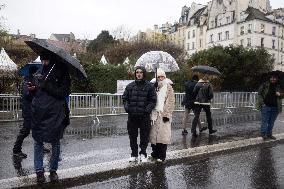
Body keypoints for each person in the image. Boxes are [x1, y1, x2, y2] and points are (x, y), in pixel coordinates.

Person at [31, 53, 71, 183]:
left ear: (52, 58)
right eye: (42, 59)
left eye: (46, 59)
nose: (43, 62)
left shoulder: (62, 70)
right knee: (38, 142)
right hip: (39, 112)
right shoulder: (39, 71)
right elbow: (35, 92)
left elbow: (63, 92)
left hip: (55, 113)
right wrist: (32, 90)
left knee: (55, 142)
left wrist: (47, 85)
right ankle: (39, 171)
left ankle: (53, 170)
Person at [13, 66, 50, 158]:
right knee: (25, 131)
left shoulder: (34, 81)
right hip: (28, 111)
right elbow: (27, 95)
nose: (38, 75)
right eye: (37, 73)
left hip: (35, 111)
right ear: (34, 73)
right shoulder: (27, 82)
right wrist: (34, 91)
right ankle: (16, 150)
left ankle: (40, 147)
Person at [122, 66, 157, 162]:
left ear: (144, 74)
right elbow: (125, 99)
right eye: (137, 72)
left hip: (144, 116)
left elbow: (153, 100)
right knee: (132, 136)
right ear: (135, 74)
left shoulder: (149, 86)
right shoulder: (130, 86)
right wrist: (127, 108)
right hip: (132, 116)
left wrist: (147, 110)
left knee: (144, 136)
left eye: (141, 72)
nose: (139, 74)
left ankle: (143, 153)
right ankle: (134, 154)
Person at [149, 68, 175, 162]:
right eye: (158, 76)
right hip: (154, 114)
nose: (160, 78)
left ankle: (162, 155)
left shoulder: (168, 87)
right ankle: (154, 153)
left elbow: (170, 101)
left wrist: (167, 114)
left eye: (162, 76)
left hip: (163, 115)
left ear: (165, 77)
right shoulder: (152, 86)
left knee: (163, 137)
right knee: (153, 136)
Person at [256, 71, 283, 140]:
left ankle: (269, 134)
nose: (273, 79)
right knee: (264, 121)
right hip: (266, 106)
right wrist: (262, 103)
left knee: (271, 122)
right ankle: (263, 134)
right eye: (272, 78)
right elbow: (259, 94)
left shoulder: (280, 86)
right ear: (269, 78)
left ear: (277, 79)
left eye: (274, 78)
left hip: (276, 107)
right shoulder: (265, 85)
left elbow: (283, 95)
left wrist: (280, 94)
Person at [191, 73, 217, 137]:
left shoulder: (198, 84)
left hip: (198, 102)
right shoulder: (209, 84)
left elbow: (194, 92)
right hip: (206, 102)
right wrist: (208, 98)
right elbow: (211, 95)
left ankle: (193, 131)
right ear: (207, 78)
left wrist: (197, 98)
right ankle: (210, 130)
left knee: (196, 116)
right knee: (208, 116)